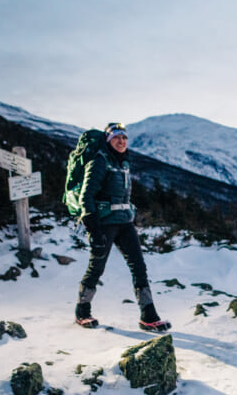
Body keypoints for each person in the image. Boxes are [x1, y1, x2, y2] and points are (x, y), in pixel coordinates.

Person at [73, 122, 171, 332]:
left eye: (124, 138)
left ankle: (148, 315)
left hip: (125, 223)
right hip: (105, 224)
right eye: (116, 137)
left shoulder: (124, 163)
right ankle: (82, 310)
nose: (121, 141)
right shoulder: (99, 161)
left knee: (139, 267)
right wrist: (93, 228)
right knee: (96, 267)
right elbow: (86, 196)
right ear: (109, 140)